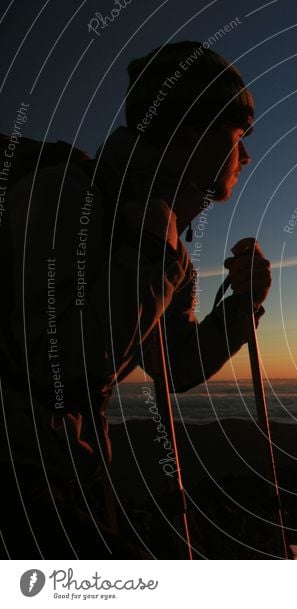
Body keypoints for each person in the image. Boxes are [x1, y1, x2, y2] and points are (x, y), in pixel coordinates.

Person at [0, 41, 270, 558]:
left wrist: (244, 305)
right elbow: (67, 367)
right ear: (194, 133)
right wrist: (152, 248)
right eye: (239, 136)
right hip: (21, 476)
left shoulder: (169, 248)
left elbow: (176, 366)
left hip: (74, 467)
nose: (246, 155)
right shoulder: (63, 196)